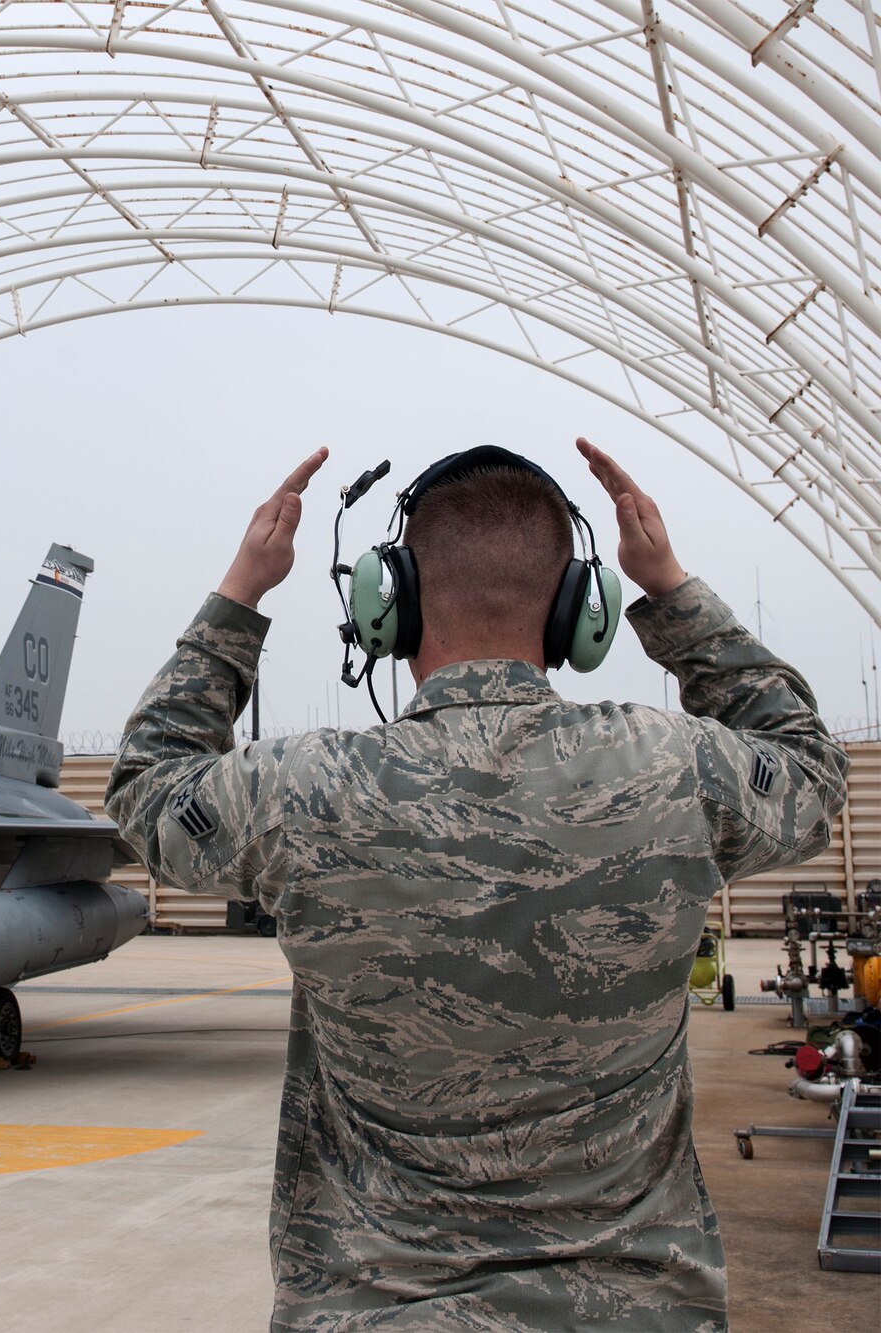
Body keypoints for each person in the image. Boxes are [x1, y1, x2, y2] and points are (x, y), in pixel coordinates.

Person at [106, 439, 847, 1331]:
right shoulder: (671, 770)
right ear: (580, 613)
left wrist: (242, 589)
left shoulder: (306, 791)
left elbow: (150, 791)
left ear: (392, 607)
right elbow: (808, 769)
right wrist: (672, 586)